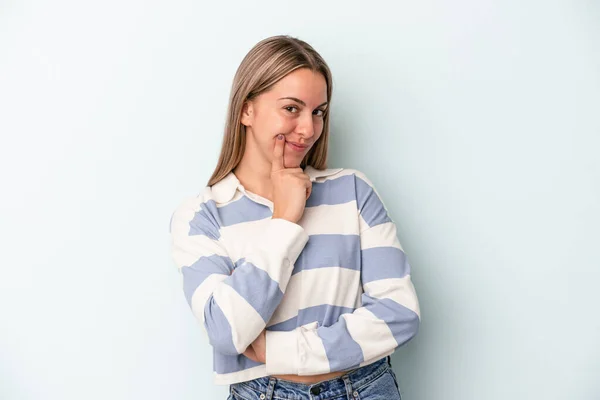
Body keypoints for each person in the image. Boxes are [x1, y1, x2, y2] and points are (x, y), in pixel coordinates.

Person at [169, 35, 421, 400]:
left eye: (318, 112)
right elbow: (226, 332)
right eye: (292, 108)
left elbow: (399, 313)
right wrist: (285, 221)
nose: (308, 129)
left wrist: (279, 351)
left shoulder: (352, 191)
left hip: (366, 389)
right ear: (246, 110)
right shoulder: (200, 216)